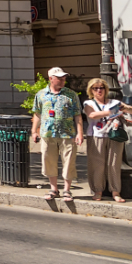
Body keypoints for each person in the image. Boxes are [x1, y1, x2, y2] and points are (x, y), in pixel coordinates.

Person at [31, 66, 84, 201]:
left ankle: (67, 190)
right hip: (48, 134)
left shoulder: (71, 94)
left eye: (64, 78)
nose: (62, 80)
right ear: (51, 79)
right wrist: (34, 131)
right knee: (49, 161)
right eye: (59, 78)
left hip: (68, 133)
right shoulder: (41, 95)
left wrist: (80, 133)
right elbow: (37, 113)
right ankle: (53, 189)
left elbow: (77, 115)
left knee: (69, 162)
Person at [82, 78, 132, 203]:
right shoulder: (88, 103)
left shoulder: (114, 102)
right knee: (97, 165)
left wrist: (125, 108)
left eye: (101, 87)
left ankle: (115, 192)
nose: (99, 90)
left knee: (114, 164)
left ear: (105, 89)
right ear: (91, 90)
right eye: (95, 88)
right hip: (96, 136)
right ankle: (98, 190)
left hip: (114, 136)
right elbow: (92, 115)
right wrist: (114, 111)